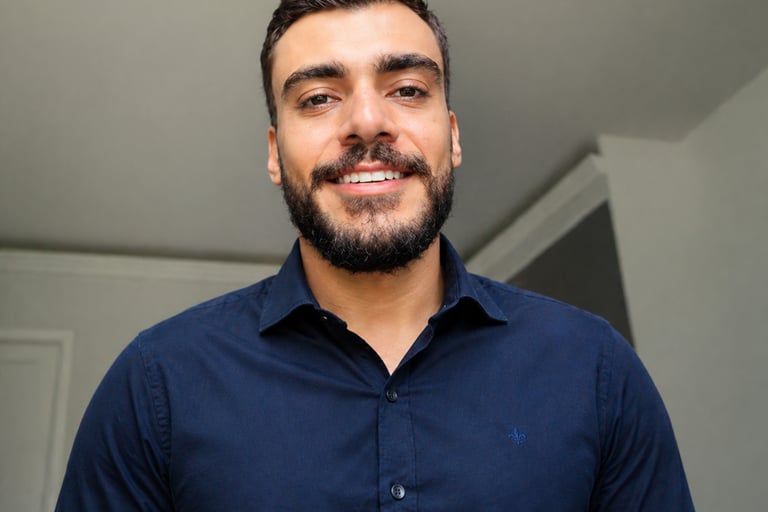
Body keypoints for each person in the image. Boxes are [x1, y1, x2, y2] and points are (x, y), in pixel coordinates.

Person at [56, 1, 695, 510]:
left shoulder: (595, 369)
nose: (367, 121)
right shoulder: (156, 385)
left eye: (408, 89)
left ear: (452, 135)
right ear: (275, 153)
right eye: (318, 97)